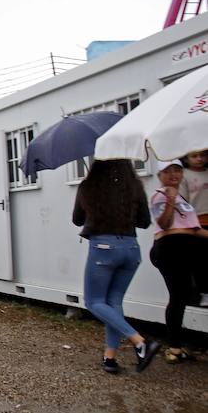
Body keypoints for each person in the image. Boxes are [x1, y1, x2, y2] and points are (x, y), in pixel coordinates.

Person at [72, 159, 160, 374]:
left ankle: (140, 342)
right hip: (131, 248)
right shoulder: (134, 185)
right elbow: (144, 222)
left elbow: (77, 219)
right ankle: (110, 357)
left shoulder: (88, 186)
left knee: (94, 301)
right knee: (113, 302)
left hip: (103, 248)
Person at [149, 159, 208, 364]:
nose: (173, 174)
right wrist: (170, 200)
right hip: (170, 249)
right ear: (160, 176)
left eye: (177, 170)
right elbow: (164, 224)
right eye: (168, 171)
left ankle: (177, 346)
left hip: (187, 248)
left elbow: (194, 229)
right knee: (178, 296)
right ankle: (174, 347)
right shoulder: (159, 195)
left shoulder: (182, 198)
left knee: (184, 295)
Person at [179, 150, 208, 229]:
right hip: (195, 220)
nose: (199, 159)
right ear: (185, 159)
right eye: (194, 156)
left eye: (202, 155)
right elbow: (183, 201)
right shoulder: (183, 175)